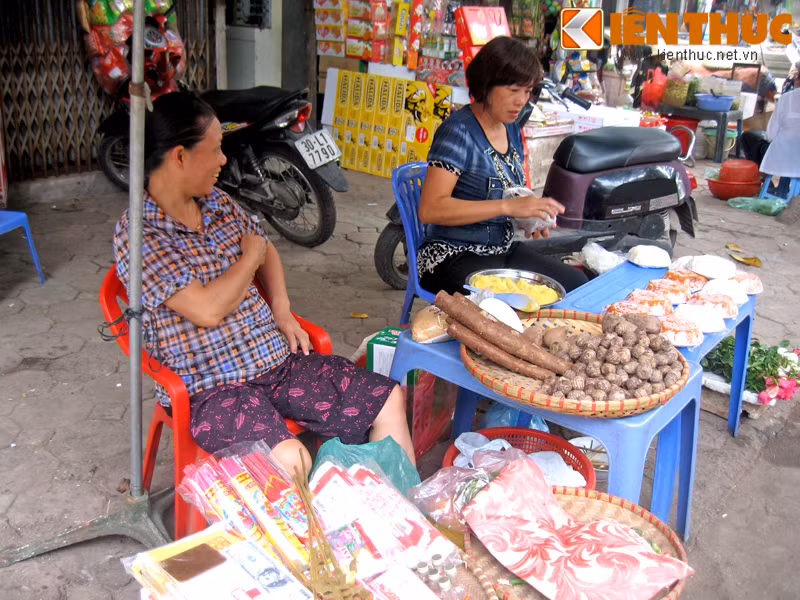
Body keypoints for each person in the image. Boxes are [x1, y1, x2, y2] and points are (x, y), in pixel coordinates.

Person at [112, 92, 414, 476]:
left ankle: (401, 514)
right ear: (180, 156)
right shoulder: (139, 234)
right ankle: (319, 532)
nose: (224, 160)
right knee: (294, 460)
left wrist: (282, 309)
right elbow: (206, 309)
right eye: (217, 149)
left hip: (276, 363)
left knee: (386, 398)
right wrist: (249, 258)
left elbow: (265, 247)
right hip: (211, 388)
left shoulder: (217, 202)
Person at [417, 36, 588, 296]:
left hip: (502, 251)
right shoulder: (458, 132)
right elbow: (431, 209)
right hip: (449, 256)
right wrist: (508, 207)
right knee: (517, 305)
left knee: (576, 288)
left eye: (528, 91)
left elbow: (512, 191)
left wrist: (530, 216)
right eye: (513, 90)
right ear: (487, 85)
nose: (521, 100)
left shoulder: (511, 129)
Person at [740, 66, 800, 171]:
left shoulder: (787, 98)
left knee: (748, 136)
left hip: (786, 156)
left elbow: (771, 136)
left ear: (798, 80)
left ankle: (763, 176)